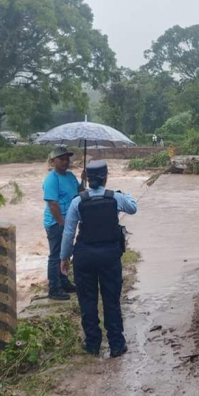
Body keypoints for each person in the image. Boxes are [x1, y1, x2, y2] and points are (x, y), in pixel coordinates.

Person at [60, 161, 138, 357]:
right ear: (106, 177)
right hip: (109, 255)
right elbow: (133, 208)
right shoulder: (116, 198)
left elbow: (69, 233)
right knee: (111, 300)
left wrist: (64, 257)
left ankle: (93, 344)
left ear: (86, 178)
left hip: (84, 256)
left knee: (87, 300)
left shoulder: (78, 201)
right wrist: (125, 193)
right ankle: (117, 344)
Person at [42, 147, 83, 301]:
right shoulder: (52, 179)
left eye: (67, 159)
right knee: (55, 256)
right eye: (62, 159)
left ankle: (64, 282)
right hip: (56, 222)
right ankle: (54, 288)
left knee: (65, 253)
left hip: (69, 222)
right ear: (53, 161)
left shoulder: (70, 176)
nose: (65, 162)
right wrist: (62, 223)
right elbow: (52, 204)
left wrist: (83, 179)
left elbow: (80, 192)